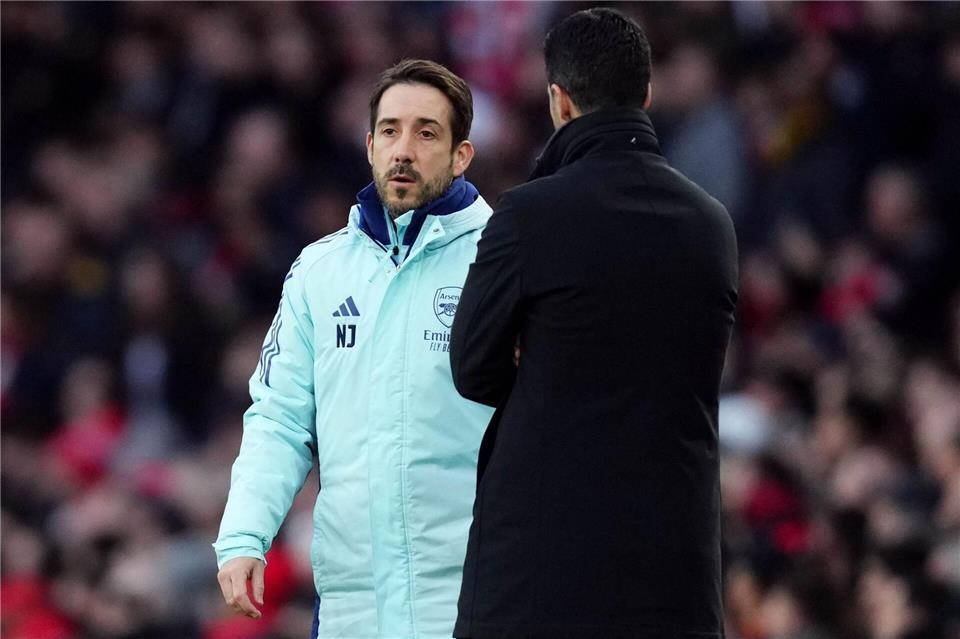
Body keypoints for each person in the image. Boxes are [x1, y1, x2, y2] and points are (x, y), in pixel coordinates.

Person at [449, 9, 739, 639]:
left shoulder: (529, 216)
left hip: (544, 566)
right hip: (674, 566)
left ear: (558, 101)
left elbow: (471, 367)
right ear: (647, 94)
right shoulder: (711, 225)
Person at [214, 59, 495, 639]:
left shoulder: (501, 260)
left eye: (426, 132)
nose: (404, 149)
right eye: (390, 131)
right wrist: (245, 535)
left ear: (461, 154)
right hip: (352, 605)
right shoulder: (320, 270)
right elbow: (280, 419)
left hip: (474, 597)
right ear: (369, 145)